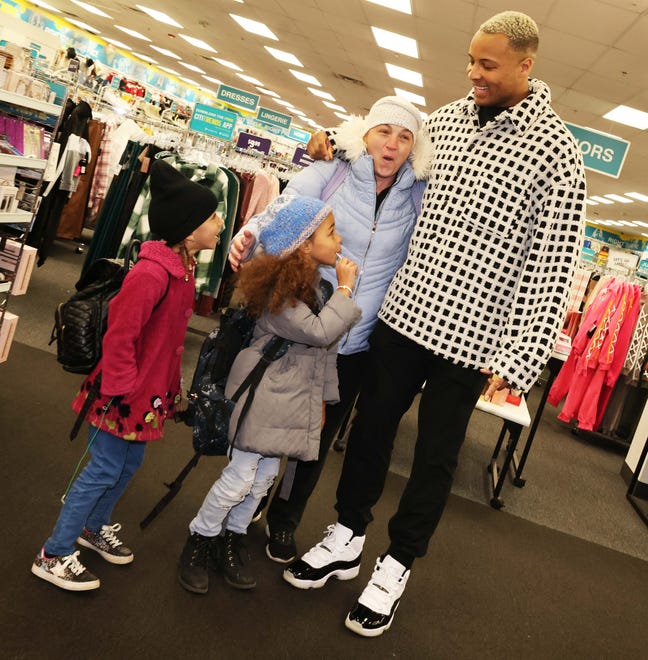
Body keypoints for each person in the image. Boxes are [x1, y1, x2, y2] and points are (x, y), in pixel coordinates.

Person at [284, 11, 587, 637]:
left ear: (526, 66)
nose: (472, 73)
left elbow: (552, 267)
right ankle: (346, 534)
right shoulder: (442, 124)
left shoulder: (560, 153)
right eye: (471, 60)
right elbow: (381, 168)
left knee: (434, 459)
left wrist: (518, 362)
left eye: (488, 64)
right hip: (402, 314)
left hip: (472, 339)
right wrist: (326, 142)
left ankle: (396, 564)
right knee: (369, 433)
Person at [228, 96, 432, 564]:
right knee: (270, 417)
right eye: (384, 131)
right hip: (301, 326)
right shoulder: (331, 173)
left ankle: (285, 519)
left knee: (315, 438)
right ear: (364, 134)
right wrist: (251, 233)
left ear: (413, 149)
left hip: (357, 341)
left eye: (404, 137)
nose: (392, 144)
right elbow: (280, 212)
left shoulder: (419, 195)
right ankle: (247, 496)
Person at [31, 160, 225, 591]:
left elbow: (167, 343)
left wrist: (170, 391)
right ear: (189, 228)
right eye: (213, 216)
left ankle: (92, 527)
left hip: (147, 394)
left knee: (129, 463)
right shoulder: (152, 273)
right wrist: (119, 389)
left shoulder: (182, 269)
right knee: (102, 468)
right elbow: (120, 335)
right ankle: (54, 552)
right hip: (121, 392)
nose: (221, 223)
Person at [178, 194, 361, 594]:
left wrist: (324, 402)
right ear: (305, 245)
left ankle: (232, 537)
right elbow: (319, 332)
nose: (340, 239)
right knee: (239, 477)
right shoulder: (281, 291)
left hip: (291, 400)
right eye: (331, 232)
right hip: (262, 396)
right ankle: (200, 539)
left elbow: (323, 357)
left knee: (261, 480)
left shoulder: (316, 288)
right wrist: (347, 290)